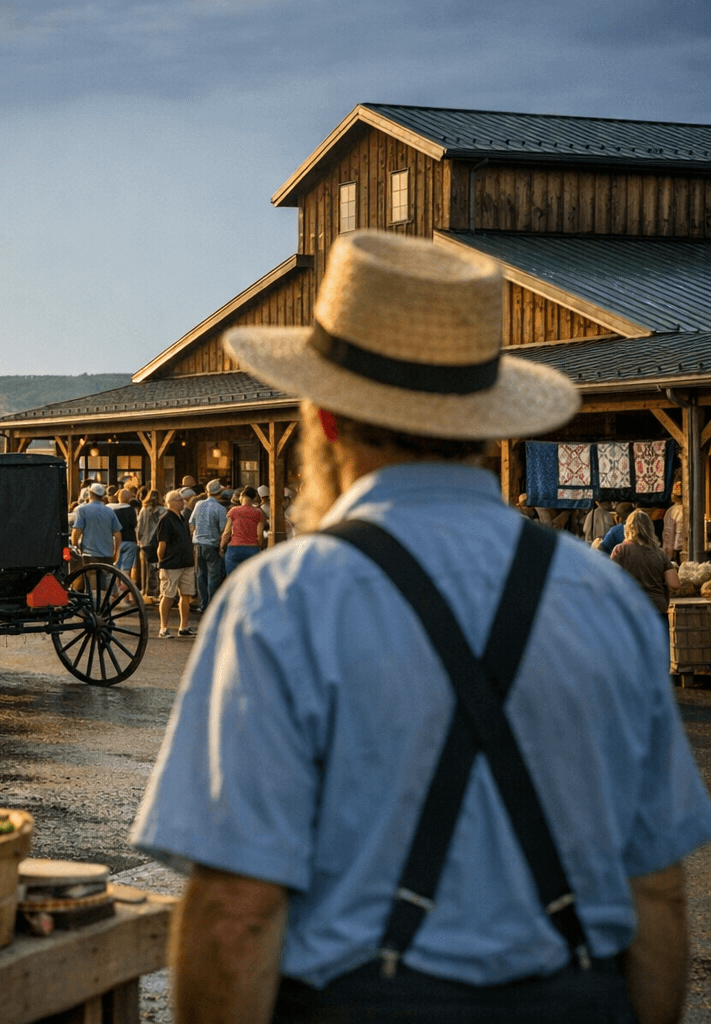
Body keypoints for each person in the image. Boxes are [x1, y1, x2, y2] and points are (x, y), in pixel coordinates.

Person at [131, 230, 711, 1024]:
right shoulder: (602, 595)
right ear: (484, 424)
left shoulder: (282, 599)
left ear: (325, 419)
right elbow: (657, 894)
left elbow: (237, 911)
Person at [612, 509, 679, 620]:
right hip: (657, 610)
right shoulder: (660, 553)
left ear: (628, 528)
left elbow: (611, 579)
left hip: (631, 610)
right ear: (650, 528)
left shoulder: (620, 550)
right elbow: (674, 584)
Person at [154, 489, 197, 638]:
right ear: (172, 502)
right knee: (168, 595)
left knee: (186, 595)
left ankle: (183, 626)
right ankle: (163, 628)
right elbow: (162, 544)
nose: (183, 502)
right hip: (171, 563)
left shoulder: (181, 517)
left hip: (185, 562)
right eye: (180, 500)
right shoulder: (166, 518)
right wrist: (162, 561)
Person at [189, 480, 229, 614]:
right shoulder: (220, 509)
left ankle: (203, 603)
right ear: (220, 492)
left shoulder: (198, 504)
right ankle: (212, 605)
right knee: (213, 576)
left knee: (201, 574)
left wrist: (195, 535)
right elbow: (223, 529)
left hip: (198, 543)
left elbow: (191, 522)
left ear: (207, 491)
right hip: (212, 544)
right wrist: (221, 546)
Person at [70, 482, 122, 566]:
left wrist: (75, 544)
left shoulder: (83, 510)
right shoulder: (110, 511)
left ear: (90, 494)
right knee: (105, 574)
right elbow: (117, 534)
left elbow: (77, 530)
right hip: (107, 555)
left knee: (91, 573)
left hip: (89, 554)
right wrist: (115, 553)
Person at [220, 485, 266, 574]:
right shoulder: (258, 512)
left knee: (232, 577)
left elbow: (227, 532)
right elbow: (260, 534)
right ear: (253, 498)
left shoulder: (233, 511)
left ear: (242, 496)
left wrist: (222, 547)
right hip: (252, 549)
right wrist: (259, 547)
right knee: (252, 578)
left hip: (234, 549)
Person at [136, 489, 164, 602]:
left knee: (145, 569)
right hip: (158, 542)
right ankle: (157, 592)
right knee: (157, 567)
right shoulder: (163, 510)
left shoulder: (144, 510)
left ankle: (146, 591)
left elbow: (140, 527)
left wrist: (139, 539)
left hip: (145, 543)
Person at [109, 489, 139, 578]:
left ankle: (116, 585)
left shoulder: (112, 510)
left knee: (115, 568)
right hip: (130, 540)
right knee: (126, 569)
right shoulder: (131, 510)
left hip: (116, 541)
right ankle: (124, 584)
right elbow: (134, 524)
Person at [662, 481, 688, 564]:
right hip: (677, 549)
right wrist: (677, 548)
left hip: (670, 547)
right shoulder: (681, 510)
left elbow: (668, 531)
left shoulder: (671, 510)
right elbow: (680, 531)